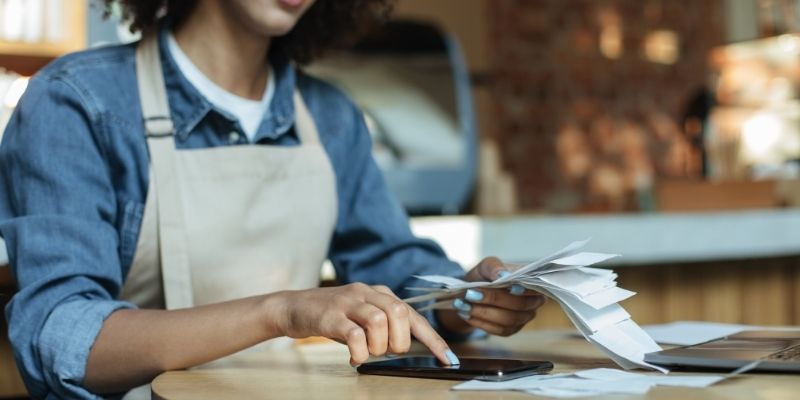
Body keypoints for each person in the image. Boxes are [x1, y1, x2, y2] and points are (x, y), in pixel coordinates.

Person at [0, 0, 546, 398]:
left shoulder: (330, 116)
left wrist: (465, 297)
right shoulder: (78, 102)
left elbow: (394, 265)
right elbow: (64, 338)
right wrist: (283, 311)